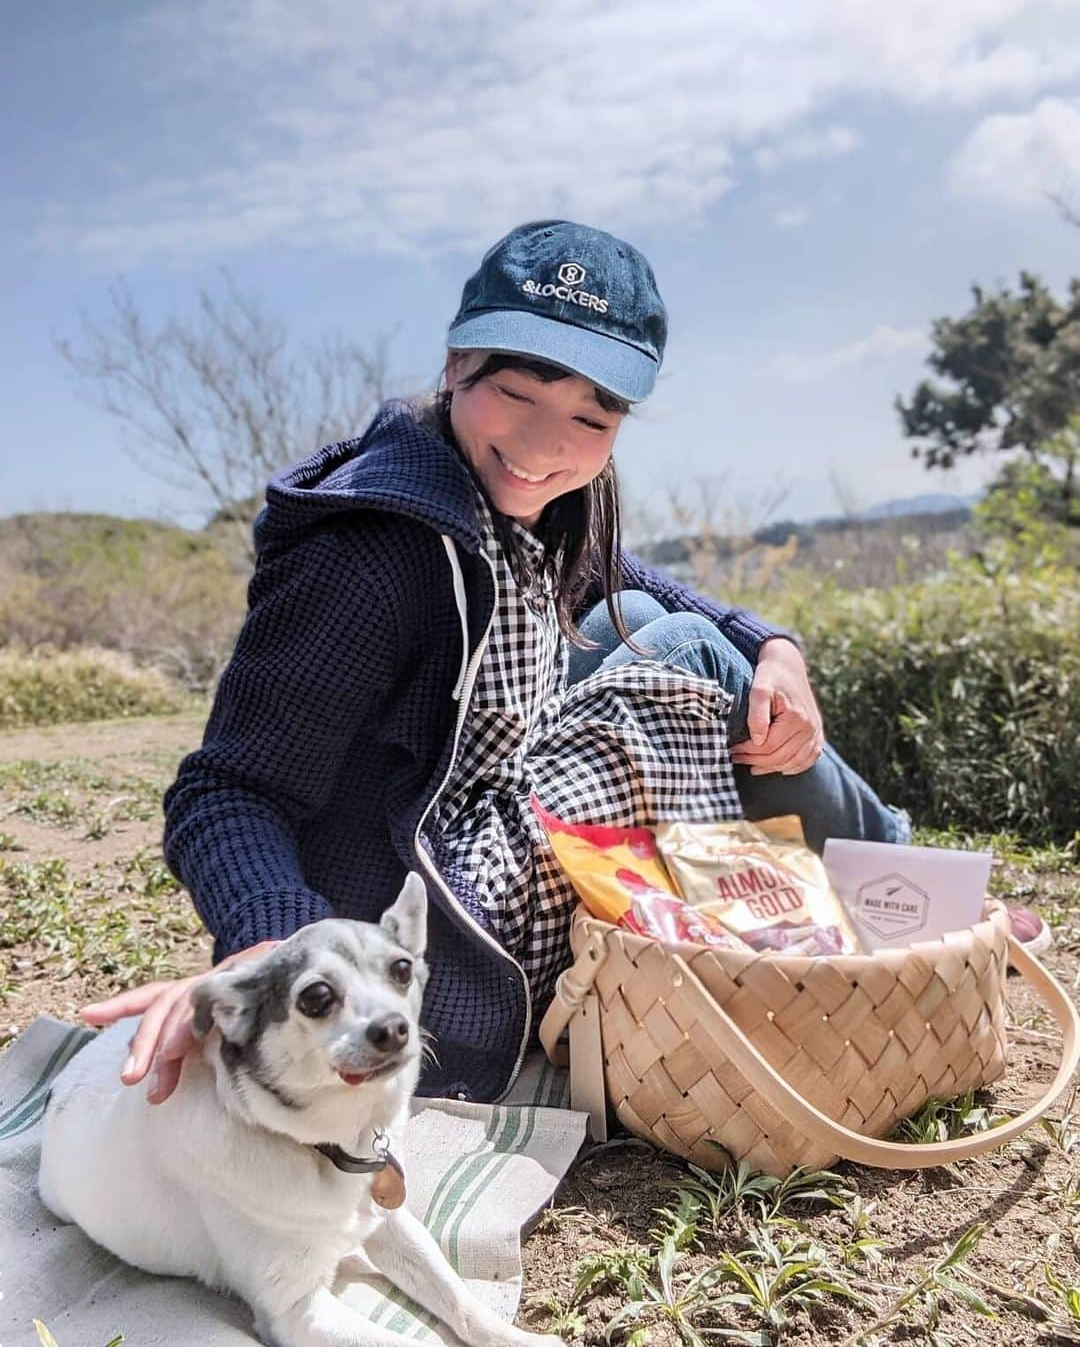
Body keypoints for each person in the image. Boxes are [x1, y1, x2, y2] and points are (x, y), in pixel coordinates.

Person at [82, 219, 912, 1105]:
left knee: (639, 618)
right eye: (518, 393)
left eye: (593, 416)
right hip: (447, 924)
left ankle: (896, 885)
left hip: (482, 815)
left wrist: (778, 647)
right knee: (685, 653)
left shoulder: (530, 501)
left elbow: (633, 579)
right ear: (455, 367)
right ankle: (907, 889)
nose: (548, 446)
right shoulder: (371, 552)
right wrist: (274, 947)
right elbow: (227, 792)